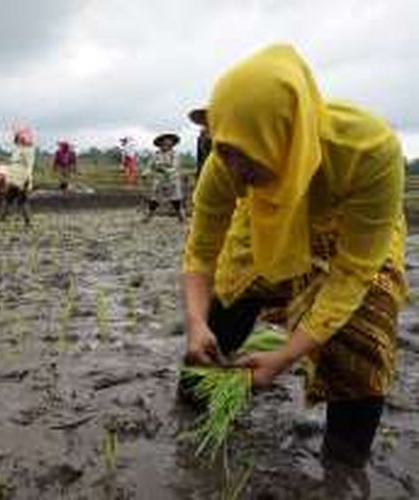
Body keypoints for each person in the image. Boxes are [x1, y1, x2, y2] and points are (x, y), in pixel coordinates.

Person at [181, 44, 406, 468]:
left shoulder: (369, 151)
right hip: (266, 217)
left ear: (285, 138)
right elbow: (202, 249)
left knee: (363, 329)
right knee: (230, 294)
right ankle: (193, 398)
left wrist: (286, 356)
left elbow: (353, 273)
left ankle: (343, 463)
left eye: (245, 155)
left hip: (347, 231)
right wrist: (194, 323)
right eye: (223, 150)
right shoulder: (227, 161)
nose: (232, 168)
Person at [0, 126, 37, 225]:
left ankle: (26, 221)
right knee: (9, 199)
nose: (18, 139)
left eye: (19, 138)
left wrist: (26, 180)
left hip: (22, 178)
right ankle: (4, 218)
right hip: (14, 178)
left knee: (20, 200)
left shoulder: (27, 151)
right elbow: (14, 164)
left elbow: (28, 166)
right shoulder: (19, 149)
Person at [143, 132, 185, 222]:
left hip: (172, 179)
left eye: (168, 144)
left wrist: (164, 170)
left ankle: (180, 215)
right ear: (160, 144)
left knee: (176, 199)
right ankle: (149, 216)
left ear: (172, 145)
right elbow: (149, 166)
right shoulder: (155, 155)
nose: (165, 145)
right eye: (164, 144)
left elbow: (175, 167)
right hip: (159, 179)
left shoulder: (175, 155)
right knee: (155, 199)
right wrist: (145, 173)